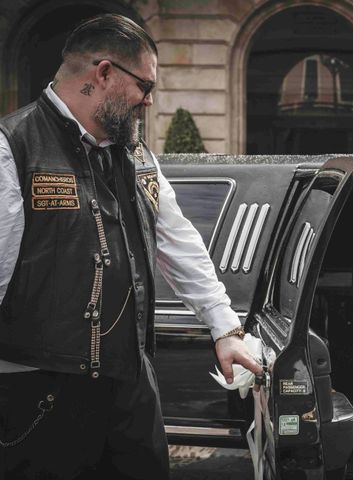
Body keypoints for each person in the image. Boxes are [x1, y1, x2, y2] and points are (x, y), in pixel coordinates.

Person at [0, 14, 262, 479]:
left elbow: (180, 245)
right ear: (103, 74)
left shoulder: (138, 156)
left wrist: (226, 329)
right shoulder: (13, 148)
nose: (150, 99)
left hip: (131, 386)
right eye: (144, 84)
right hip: (40, 389)